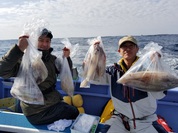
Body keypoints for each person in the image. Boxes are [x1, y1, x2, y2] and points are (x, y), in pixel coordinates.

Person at [0, 28, 79, 125]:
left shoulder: (51, 59)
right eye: (41, 40)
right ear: (34, 41)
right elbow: (2, 71)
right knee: (74, 112)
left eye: (47, 41)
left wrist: (66, 58)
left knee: (70, 109)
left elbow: (64, 72)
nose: (45, 44)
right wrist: (19, 48)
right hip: (36, 111)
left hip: (51, 102)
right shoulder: (25, 60)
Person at [102, 36, 167, 133]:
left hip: (146, 121)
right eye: (124, 46)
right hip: (120, 120)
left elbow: (160, 95)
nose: (127, 49)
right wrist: (93, 58)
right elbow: (93, 78)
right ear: (119, 51)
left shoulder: (147, 70)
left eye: (131, 46)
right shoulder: (112, 71)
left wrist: (158, 64)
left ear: (137, 49)